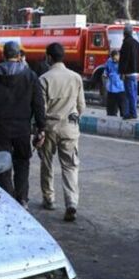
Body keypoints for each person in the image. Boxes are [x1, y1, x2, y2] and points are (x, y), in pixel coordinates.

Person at [0, 41, 46, 207]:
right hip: (22, 128)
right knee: (22, 162)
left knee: (1, 164)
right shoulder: (30, 76)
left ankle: (7, 198)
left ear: (3, 55)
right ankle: (22, 198)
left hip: (0, 128)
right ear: (19, 55)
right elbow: (38, 104)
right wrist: (41, 128)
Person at [38, 43, 86, 222]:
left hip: (50, 127)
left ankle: (49, 198)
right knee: (70, 166)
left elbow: (40, 109)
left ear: (49, 57)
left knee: (47, 163)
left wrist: (39, 130)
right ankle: (71, 202)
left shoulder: (44, 79)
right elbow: (81, 106)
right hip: (70, 128)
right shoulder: (76, 78)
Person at [119, 26, 139, 119]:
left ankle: (132, 113)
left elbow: (125, 59)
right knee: (134, 93)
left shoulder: (126, 43)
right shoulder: (137, 43)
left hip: (128, 72)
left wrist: (122, 72)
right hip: (136, 72)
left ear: (124, 33)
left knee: (130, 94)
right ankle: (133, 111)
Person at [105, 49, 126, 117]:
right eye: (112, 58)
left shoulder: (123, 62)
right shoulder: (109, 61)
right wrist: (105, 74)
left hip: (121, 88)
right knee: (111, 111)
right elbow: (106, 70)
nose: (114, 60)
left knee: (123, 109)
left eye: (115, 58)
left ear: (118, 56)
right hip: (111, 89)